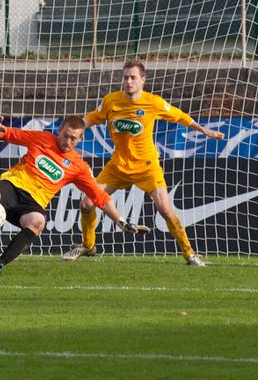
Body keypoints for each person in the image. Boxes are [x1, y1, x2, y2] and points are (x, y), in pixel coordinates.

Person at [62, 60, 225, 266]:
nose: (128, 82)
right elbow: (92, 118)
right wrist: (72, 127)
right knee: (86, 203)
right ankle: (88, 246)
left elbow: (180, 117)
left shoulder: (153, 102)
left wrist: (205, 131)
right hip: (118, 166)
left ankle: (190, 254)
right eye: (125, 77)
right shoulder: (111, 100)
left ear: (143, 80)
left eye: (133, 78)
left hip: (147, 167)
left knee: (165, 210)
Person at [0, 111, 151, 275]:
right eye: (65, 135)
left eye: (73, 138)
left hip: (33, 202)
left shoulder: (79, 167)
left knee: (37, 222)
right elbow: (7, 134)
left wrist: (121, 222)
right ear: (59, 130)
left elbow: (99, 196)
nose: (67, 141)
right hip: (12, 186)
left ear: (80, 139)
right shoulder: (42, 138)